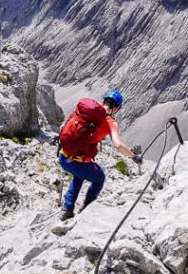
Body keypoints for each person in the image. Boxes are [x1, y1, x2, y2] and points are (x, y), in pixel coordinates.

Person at [57, 89, 141, 220]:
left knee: (80, 174)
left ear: (103, 101)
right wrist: (133, 156)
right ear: (117, 108)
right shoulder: (111, 123)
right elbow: (118, 145)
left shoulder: (86, 111)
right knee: (99, 178)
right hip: (77, 161)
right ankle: (87, 208)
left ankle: (67, 208)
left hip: (63, 156)